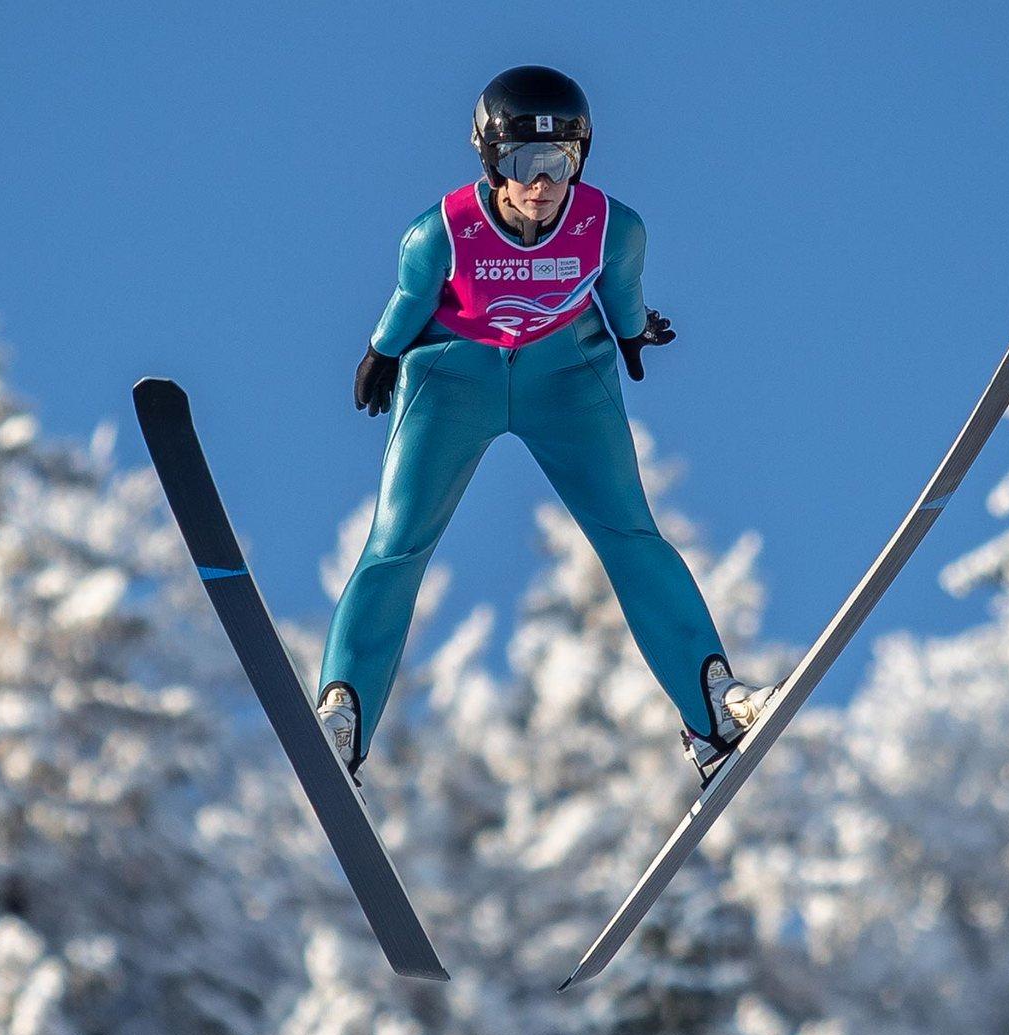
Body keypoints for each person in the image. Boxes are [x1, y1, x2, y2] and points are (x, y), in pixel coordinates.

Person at [316, 65, 777, 786]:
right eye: (523, 162)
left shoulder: (613, 226)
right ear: (491, 163)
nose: (542, 181)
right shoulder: (437, 232)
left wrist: (633, 335)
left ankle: (713, 708)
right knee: (397, 543)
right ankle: (343, 713)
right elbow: (410, 302)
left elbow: (623, 294)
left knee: (630, 532)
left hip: (563, 375)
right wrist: (379, 354)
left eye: (560, 162)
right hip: (453, 374)